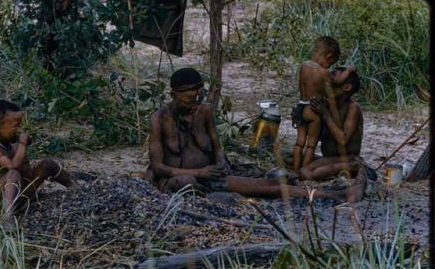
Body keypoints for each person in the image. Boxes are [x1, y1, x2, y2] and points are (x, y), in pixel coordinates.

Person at [146, 67, 342, 200]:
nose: (194, 104)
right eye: (188, 100)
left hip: (209, 178)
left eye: (198, 98)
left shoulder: (204, 112)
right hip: (179, 180)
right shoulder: (159, 120)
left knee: (268, 186)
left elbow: (217, 148)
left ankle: (334, 196)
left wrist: (221, 164)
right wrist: (197, 172)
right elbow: (157, 167)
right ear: (173, 96)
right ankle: (211, 197)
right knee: (186, 181)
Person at [0, 100, 75, 229]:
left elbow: (25, 173)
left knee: (47, 164)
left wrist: (24, 153)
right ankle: (8, 218)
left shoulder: (14, 146)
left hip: (16, 197)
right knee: (13, 173)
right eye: (16, 125)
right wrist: (22, 143)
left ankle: (75, 188)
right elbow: (13, 167)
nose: (20, 129)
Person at [299, 67, 369, 202]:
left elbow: (343, 140)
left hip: (347, 157)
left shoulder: (353, 108)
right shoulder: (327, 104)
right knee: (293, 160)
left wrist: (325, 114)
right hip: (330, 157)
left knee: (306, 173)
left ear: (347, 87)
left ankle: (354, 166)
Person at [292, 36, 356, 172]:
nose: (330, 67)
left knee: (299, 142)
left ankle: (295, 168)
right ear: (328, 55)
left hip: (300, 107)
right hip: (312, 110)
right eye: (332, 62)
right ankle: (304, 170)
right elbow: (337, 82)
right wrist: (349, 70)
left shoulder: (303, 66)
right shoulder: (323, 73)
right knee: (311, 144)